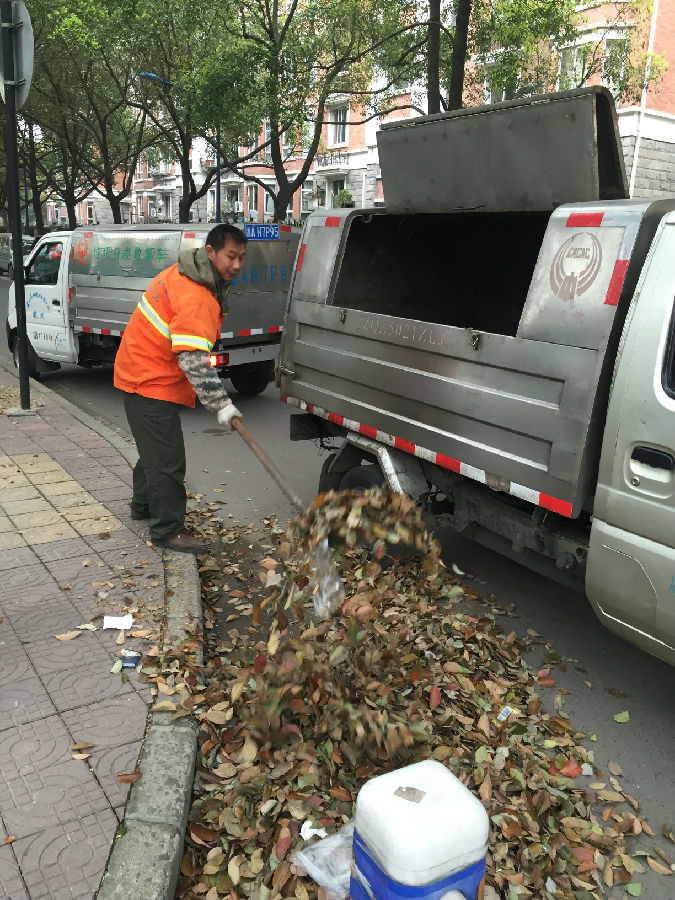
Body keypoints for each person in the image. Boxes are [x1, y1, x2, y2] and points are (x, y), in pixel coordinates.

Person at [114, 224, 246, 554]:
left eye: (241, 258)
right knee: (167, 459)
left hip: (140, 370)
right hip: (148, 378)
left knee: (154, 451)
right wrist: (222, 405)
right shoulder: (197, 294)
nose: (236, 265)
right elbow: (194, 361)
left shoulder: (185, 272)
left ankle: (143, 505)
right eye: (230, 256)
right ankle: (167, 530)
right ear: (210, 252)